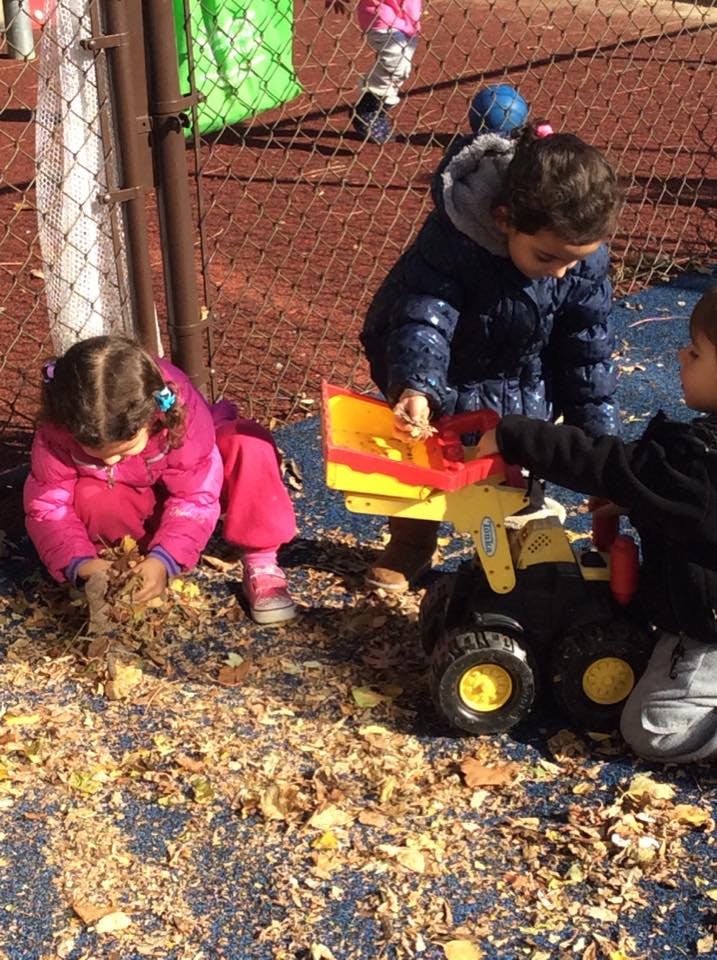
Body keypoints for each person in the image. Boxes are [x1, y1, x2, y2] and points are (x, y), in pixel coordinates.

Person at [360, 123, 623, 591]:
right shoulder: (457, 242)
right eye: (547, 258)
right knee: (425, 464)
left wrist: (602, 454)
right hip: (449, 370)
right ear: (504, 221)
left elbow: (587, 356)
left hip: (524, 375)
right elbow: (425, 317)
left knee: (519, 466)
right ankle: (412, 543)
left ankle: (517, 553)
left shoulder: (578, 266)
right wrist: (418, 385)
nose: (560, 272)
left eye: (575, 260)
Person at [473, 287, 717, 764]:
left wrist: (515, 435)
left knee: (653, 730)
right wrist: (639, 503)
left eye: (696, 351)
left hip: (706, 631)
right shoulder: (701, 469)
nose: (681, 355)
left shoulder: (698, 463)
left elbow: (605, 464)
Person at [24, 336, 297, 626]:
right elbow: (48, 508)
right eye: (97, 454)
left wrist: (166, 559)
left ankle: (261, 559)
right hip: (135, 502)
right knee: (93, 494)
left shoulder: (176, 409)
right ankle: (122, 566)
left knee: (248, 444)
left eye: (124, 450)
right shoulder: (57, 430)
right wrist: (78, 563)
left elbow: (195, 495)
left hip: (196, 483)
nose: (111, 461)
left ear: (150, 419)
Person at [325, 0, 421, 144]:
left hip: (409, 18)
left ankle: (377, 105)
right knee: (396, 63)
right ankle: (369, 107)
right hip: (381, 15)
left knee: (402, 67)